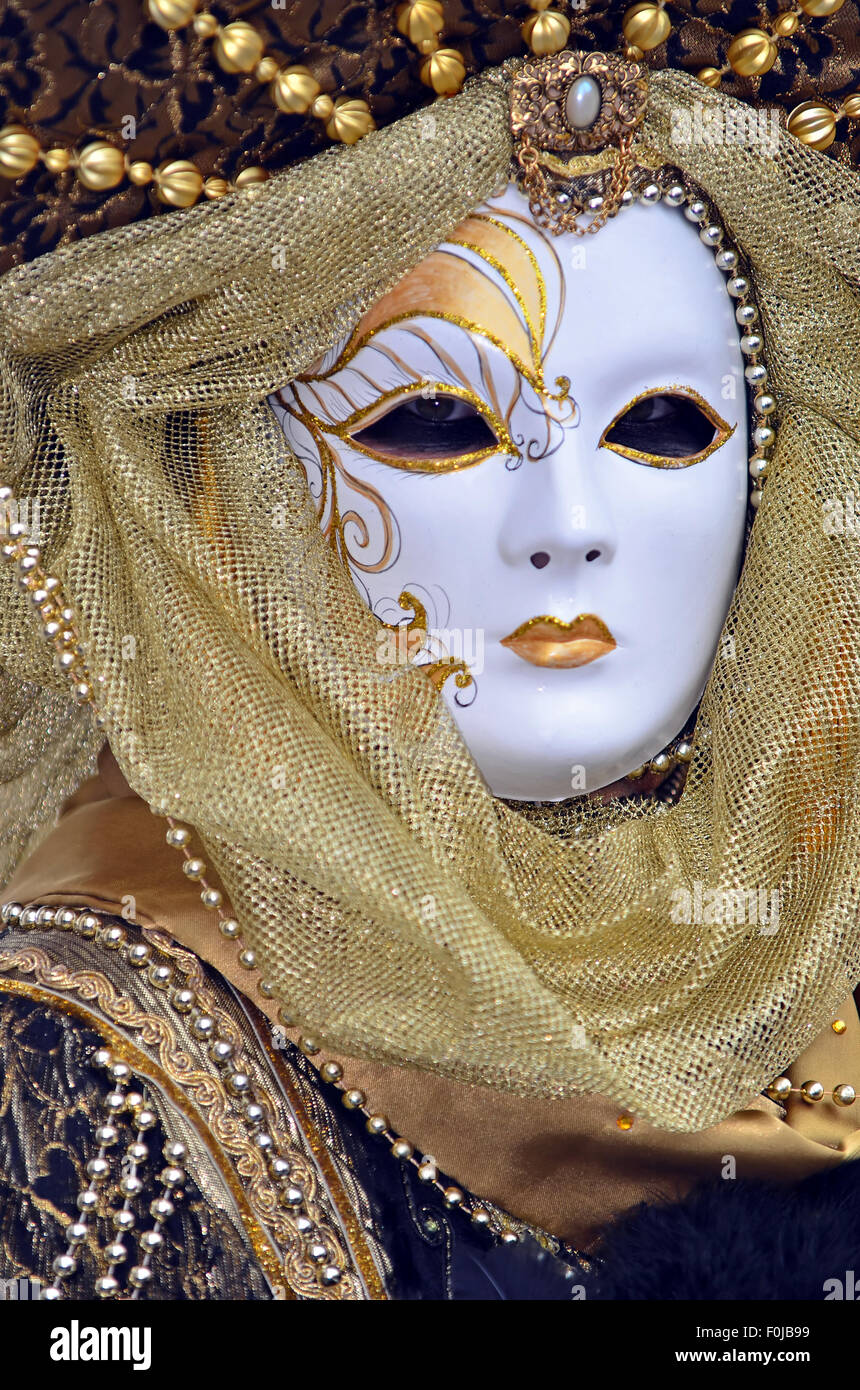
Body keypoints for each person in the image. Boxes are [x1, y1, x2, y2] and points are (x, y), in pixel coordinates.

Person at [0, 0, 858, 1301]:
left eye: (664, 426)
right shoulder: (95, 1062)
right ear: (227, 494)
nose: (568, 530)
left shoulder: (812, 957)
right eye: (437, 422)